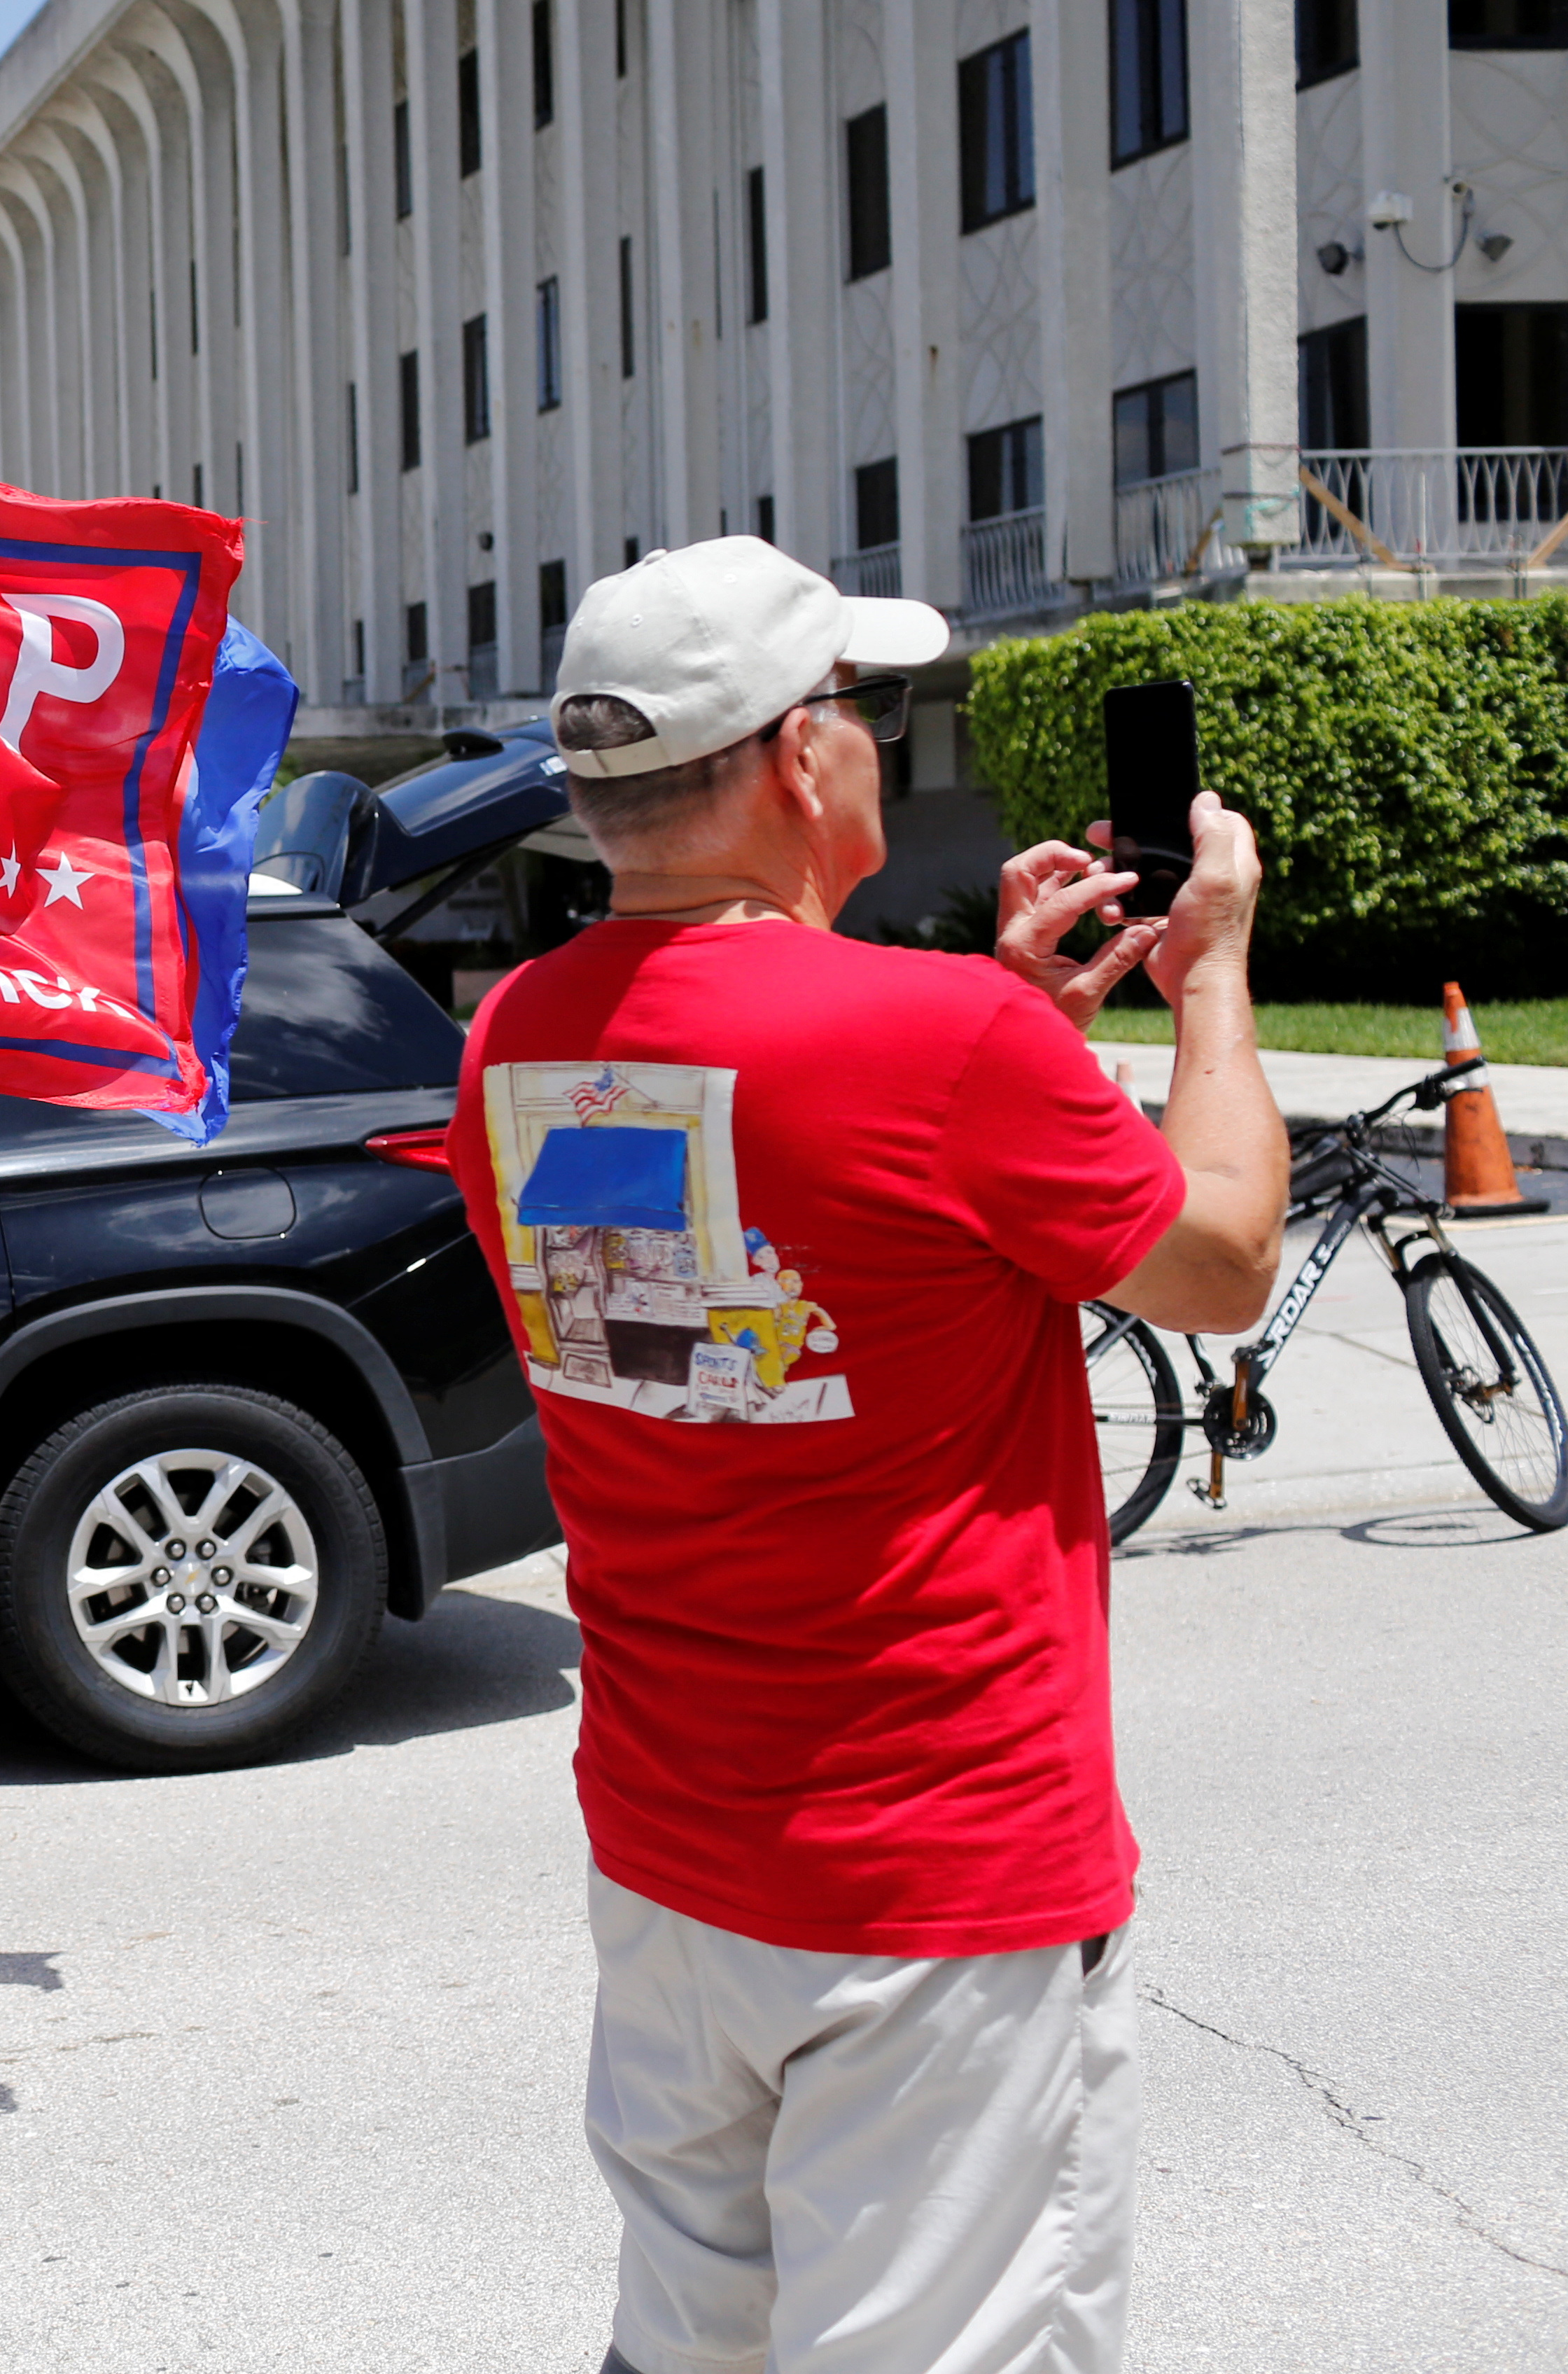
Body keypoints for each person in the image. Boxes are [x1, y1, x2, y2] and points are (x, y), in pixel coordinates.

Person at [447, 538, 1284, 2374]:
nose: (882, 752)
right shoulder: (944, 1046)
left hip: (674, 1863)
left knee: (695, 2352)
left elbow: (712, 1268)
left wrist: (1014, 1035)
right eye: (867, 710)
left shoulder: (518, 1042)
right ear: (790, 761)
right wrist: (1209, 980)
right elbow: (1221, 1263)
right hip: (933, 1885)